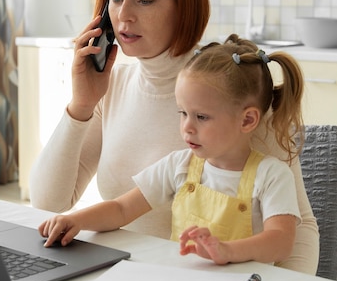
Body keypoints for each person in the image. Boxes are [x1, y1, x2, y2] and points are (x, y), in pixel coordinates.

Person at [30, 0, 319, 273]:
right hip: (134, 277)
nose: (124, 16)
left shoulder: (232, 94)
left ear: (184, 5)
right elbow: (47, 204)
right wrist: (80, 106)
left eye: (145, 0)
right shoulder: (112, 86)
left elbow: (299, 228)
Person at [39, 35, 303, 267]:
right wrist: (75, 221)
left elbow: (280, 242)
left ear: (247, 120)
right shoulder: (180, 165)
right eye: (183, 113)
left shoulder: (272, 175)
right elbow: (121, 209)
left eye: (201, 117)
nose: (187, 127)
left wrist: (226, 251)